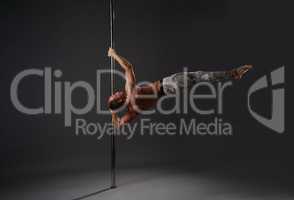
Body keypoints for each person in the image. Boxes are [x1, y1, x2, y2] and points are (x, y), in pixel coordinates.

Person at [107, 48, 252, 127]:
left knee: (200, 76)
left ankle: (232, 74)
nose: (115, 92)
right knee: (200, 77)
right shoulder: (130, 93)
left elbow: (120, 123)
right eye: (115, 95)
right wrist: (114, 55)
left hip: (170, 91)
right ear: (119, 100)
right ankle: (233, 74)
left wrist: (113, 114)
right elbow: (128, 67)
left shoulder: (131, 112)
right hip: (168, 85)